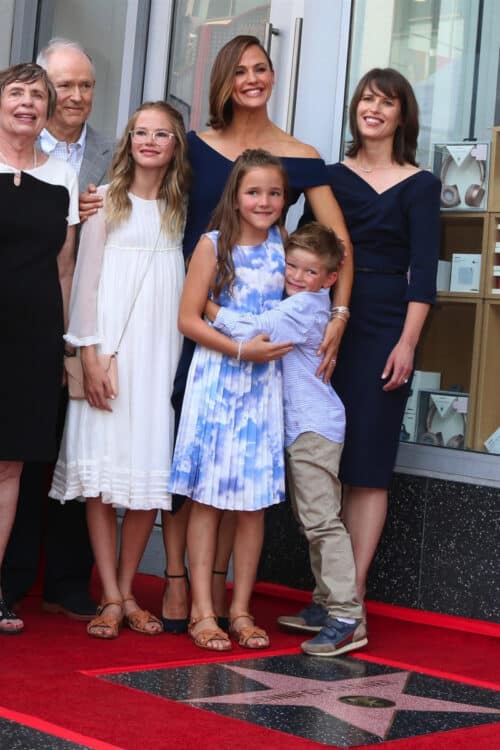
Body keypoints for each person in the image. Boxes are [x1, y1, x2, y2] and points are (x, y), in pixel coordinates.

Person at [163, 34, 353, 632]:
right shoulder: (196, 149)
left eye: (262, 67)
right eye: (240, 70)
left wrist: (337, 318)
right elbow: (150, 196)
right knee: (200, 486)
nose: (252, 78)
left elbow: (337, 246)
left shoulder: (295, 161)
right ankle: (188, 599)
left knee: (246, 496)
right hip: (208, 343)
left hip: (265, 366)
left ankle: (229, 605)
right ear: (222, 79)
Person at [301, 68, 440, 615]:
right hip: (327, 325)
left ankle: (350, 596)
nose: (373, 108)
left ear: (402, 115)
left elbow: (424, 273)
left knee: (368, 463)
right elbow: (305, 254)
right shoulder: (329, 178)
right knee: (322, 462)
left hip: (386, 327)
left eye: (386, 102)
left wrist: (407, 343)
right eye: (365, 99)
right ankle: (325, 590)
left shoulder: (422, 184)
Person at [49, 101, 190, 639]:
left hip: (160, 358)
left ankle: (128, 591)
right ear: (129, 140)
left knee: (143, 483)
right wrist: (90, 354)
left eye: (162, 134)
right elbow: (84, 285)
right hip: (108, 353)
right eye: (141, 132)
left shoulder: (182, 209)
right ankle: (109, 593)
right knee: (102, 484)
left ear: (176, 145)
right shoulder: (105, 202)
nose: (150, 142)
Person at [205, 222, 367, 657]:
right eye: (291, 265)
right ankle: (324, 604)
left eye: (310, 271)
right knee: (312, 518)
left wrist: (208, 307)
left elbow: (254, 329)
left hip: (313, 427)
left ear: (330, 279)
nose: (297, 276)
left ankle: (348, 615)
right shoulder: (305, 300)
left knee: (321, 521)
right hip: (303, 426)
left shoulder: (304, 308)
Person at [3, 38, 116, 621]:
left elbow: (71, 264)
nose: (73, 96)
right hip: (18, 326)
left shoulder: (103, 159)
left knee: (45, 457)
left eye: (84, 85)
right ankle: (14, 579)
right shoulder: (14, 151)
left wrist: (78, 342)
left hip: (62, 331)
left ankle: (45, 585)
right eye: (61, 85)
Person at [169, 149, 295, 651]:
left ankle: (239, 608)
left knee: (253, 504)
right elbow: (189, 317)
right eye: (254, 192)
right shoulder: (212, 245)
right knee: (207, 499)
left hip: (265, 389)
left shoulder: (285, 248)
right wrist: (241, 347)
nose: (264, 201)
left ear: (285, 199)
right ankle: (202, 608)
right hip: (219, 380)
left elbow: (301, 302)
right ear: (236, 197)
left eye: (274, 193)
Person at [0, 62, 79, 634]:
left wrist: (66, 346)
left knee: (9, 467)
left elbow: (65, 268)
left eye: (37, 95)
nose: (27, 102)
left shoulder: (66, 178)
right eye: (15, 92)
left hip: (33, 340)